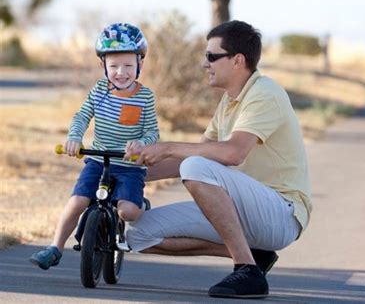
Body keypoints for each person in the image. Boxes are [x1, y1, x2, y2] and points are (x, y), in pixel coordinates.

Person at [124, 20, 312, 299]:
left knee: (195, 164)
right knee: (139, 235)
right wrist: (127, 170)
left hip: (280, 213)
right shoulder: (228, 101)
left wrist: (167, 146)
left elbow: (232, 154)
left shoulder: (264, 93)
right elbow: (194, 158)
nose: (204, 64)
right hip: (237, 207)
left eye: (212, 56)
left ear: (237, 61)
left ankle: (246, 269)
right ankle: (254, 257)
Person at [29, 23, 159, 270]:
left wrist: (142, 143)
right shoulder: (100, 91)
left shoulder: (145, 97)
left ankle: (141, 204)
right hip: (98, 160)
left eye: (129, 65)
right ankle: (54, 247)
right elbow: (81, 116)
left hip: (129, 165)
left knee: (128, 212)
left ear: (139, 64)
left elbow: (153, 132)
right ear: (103, 66)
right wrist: (74, 137)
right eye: (114, 66)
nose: (121, 72)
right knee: (78, 201)